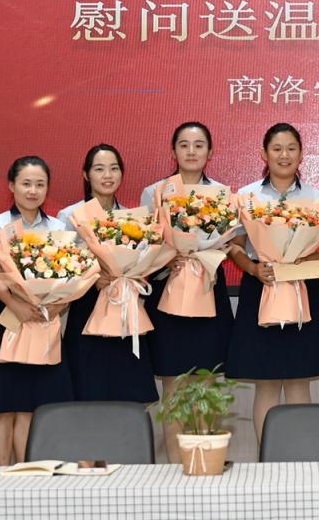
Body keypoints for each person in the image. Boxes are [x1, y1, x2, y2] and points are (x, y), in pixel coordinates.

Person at [226, 123, 319, 445]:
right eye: (277, 148)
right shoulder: (246, 197)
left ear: (301, 154)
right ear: (264, 154)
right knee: (265, 382)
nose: (284, 155)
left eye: (291, 148)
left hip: (302, 288)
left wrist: (301, 260)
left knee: (298, 380)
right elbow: (234, 246)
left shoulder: (316, 198)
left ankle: (298, 456)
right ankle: (267, 458)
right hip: (260, 288)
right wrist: (253, 268)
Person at [0, 156, 74, 465]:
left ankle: (25, 469)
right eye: (26, 184)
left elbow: (70, 274)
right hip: (6, 318)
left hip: (42, 319)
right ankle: (1, 472)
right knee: (2, 403)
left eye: (40, 184)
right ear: (12, 186)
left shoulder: (58, 227)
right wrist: (16, 305)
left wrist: (59, 304)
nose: (33, 191)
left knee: (28, 403)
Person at [140, 122, 235, 459]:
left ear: (210, 152)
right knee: (174, 388)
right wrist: (169, 258)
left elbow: (229, 244)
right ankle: (175, 469)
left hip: (208, 292)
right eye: (183, 145)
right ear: (173, 151)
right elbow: (144, 246)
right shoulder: (155, 193)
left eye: (198, 145)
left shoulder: (224, 194)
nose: (191, 151)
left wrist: (204, 256)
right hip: (169, 296)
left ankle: (206, 463)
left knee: (206, 386)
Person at [56, 143, 158, 404]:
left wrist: (134, 274)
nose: (107, 175)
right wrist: (92, 277)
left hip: (125, 306)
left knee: (126, 389)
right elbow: (60, 267)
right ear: (86, 174)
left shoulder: (133, 218)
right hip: (87, 307)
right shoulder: (70, 216)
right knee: (87, 386)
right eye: (99, 169)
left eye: (114, 168)